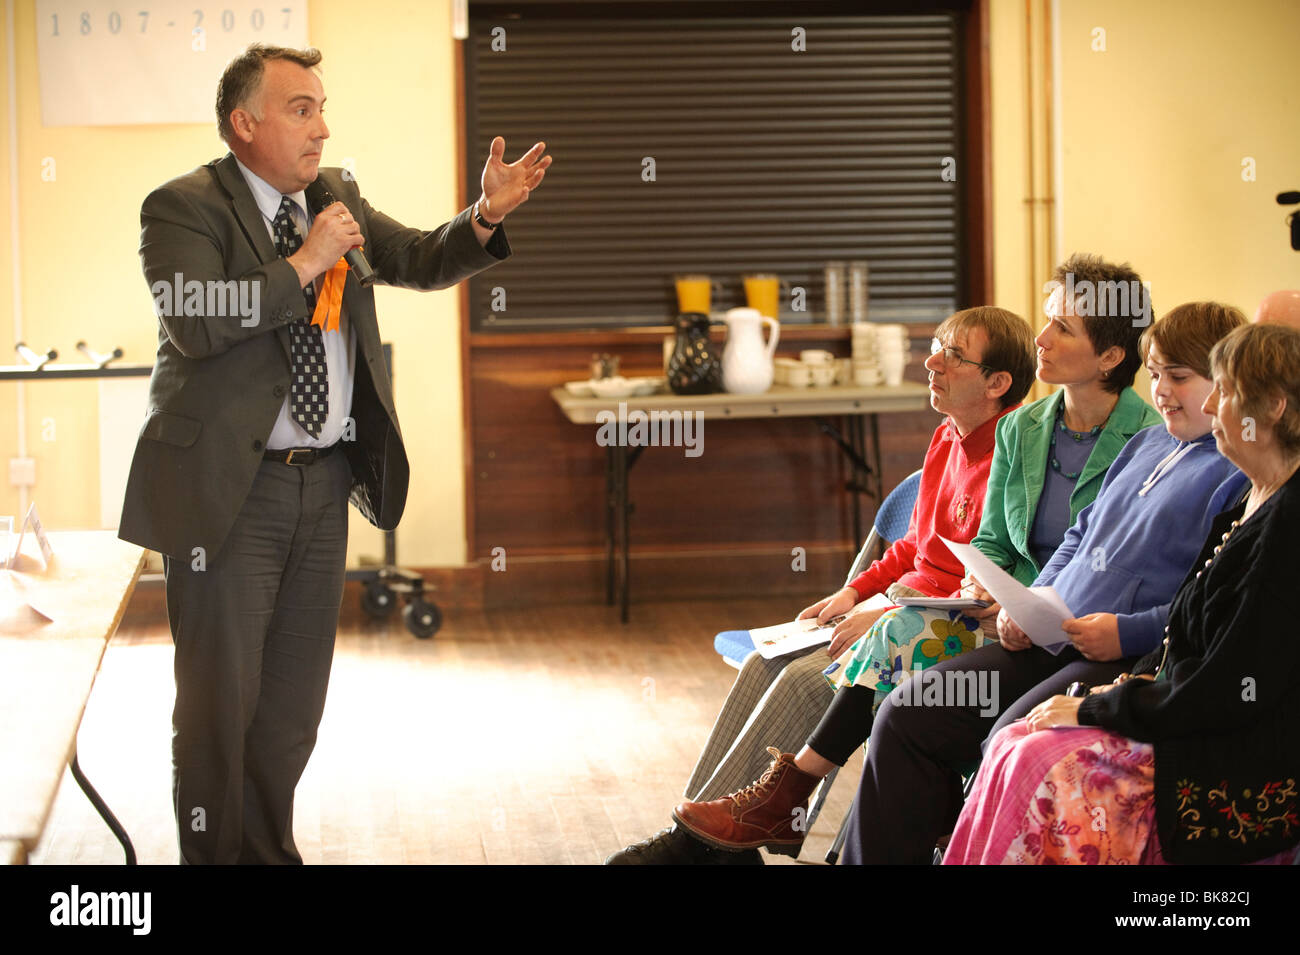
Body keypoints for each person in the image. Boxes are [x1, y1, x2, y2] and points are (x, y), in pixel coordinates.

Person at [118, 44, 550, 864]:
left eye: (322, 106)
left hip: (323, 487)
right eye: (301, 108)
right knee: (218, 711)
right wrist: (304, 262)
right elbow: (196, 319)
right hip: (229, 497)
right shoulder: (181, 207)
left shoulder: (334, 195)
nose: (323, 127)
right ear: (244, 124)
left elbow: (417, 258)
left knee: (287, 712)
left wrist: (485, 215)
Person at [664, 255, 1165, 857]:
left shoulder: (1150, 444)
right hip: (993, 616)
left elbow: (1103, 558)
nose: (1042, 338)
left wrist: (1001, 599)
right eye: (1046, 320)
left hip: (1062, 632)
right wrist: (987, 588)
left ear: (1111, 358)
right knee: (813, 669)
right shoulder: (1023, 428)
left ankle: (786, 803)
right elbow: (989, 544)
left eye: (1063, 327)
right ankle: (718, 833)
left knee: (885, 667)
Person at [604, 306, 1037, 864]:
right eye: (935, 345)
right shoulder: (947, 437)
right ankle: (712, 839)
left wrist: (882, 612)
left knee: (808, 682)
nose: (930, 362)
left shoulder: (1013, 451)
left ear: (997, 383)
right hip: (900, 604)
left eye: (952, 356)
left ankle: (708, 844)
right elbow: (916, 547)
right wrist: (855, 592)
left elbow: (987, 581)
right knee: (765, 662)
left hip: (946, 620)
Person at [829, 301, 1250, 864]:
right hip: (1050, 632)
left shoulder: (1233, 470)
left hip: (1118, 654)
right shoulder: (1148, 444)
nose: (1164, 391)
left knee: (1005, 735)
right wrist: (1030, 604)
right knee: (907, 711)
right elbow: (1079, 534)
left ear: (1226, 385)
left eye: (1178, 377)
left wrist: (1126, 633)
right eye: (1155, 376)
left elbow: (1206, 599)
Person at [945, 322, 1300, 865]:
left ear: (1273, 407)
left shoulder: (1286, 526)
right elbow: (1184, 630)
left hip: (1233, 768)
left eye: (1223, 391)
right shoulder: (1249, 501)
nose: (1213, 406)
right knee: (1017, 739)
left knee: (1038, 758)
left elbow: (1223, 689)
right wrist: (1115, 687)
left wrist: (1097, 706)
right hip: (1180, 709)